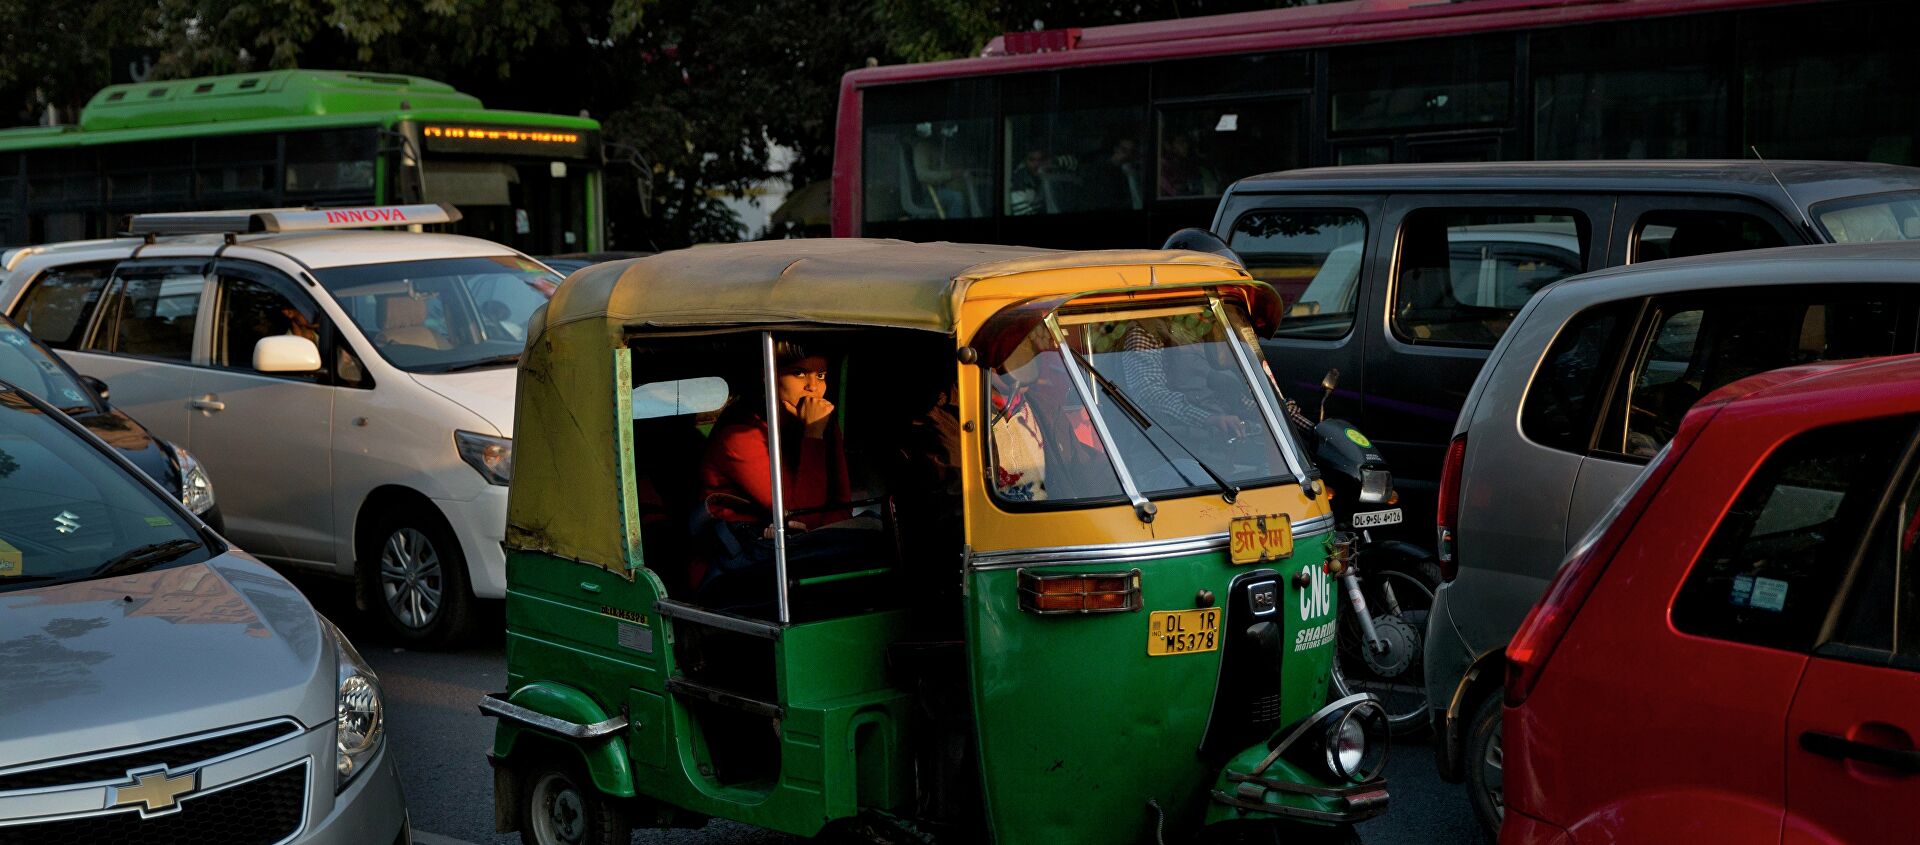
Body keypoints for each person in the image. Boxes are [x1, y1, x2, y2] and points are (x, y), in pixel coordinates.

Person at [699, 340, 852, 534]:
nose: (813, 387)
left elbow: (843, 507)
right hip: (742, 557)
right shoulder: (739, 436)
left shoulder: (821, 423)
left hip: (803, 550)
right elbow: (801, 516)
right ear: (768, 376)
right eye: (799, 373)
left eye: (820, 376)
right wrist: (813, 434)